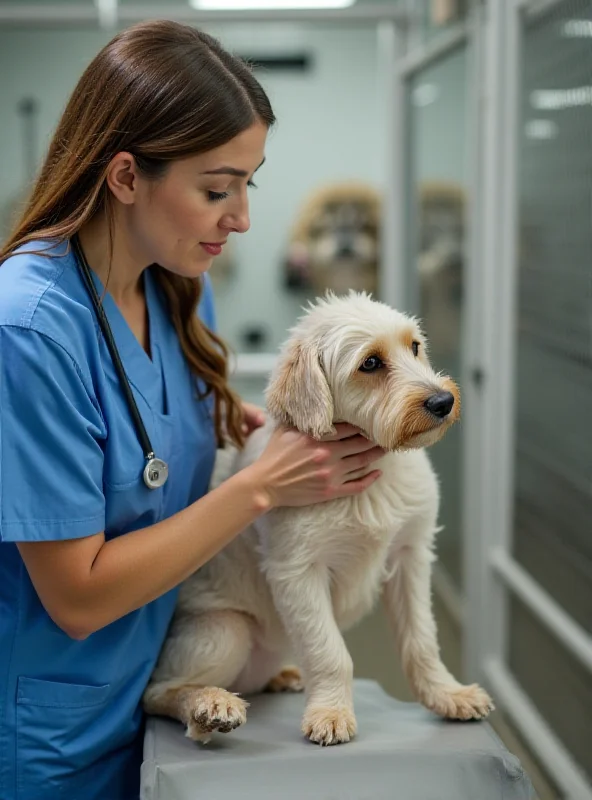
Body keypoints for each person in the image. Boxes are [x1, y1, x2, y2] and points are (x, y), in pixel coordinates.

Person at [0, 19, 386, 800]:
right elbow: (78, 597)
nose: (240, 217)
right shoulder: (28, 329)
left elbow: (157, 430)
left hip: (166, 695)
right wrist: (261, 488)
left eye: (250, 183)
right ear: (124, 176)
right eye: (216, 189)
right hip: (55, 736)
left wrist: (251, 422)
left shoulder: (173, 280)